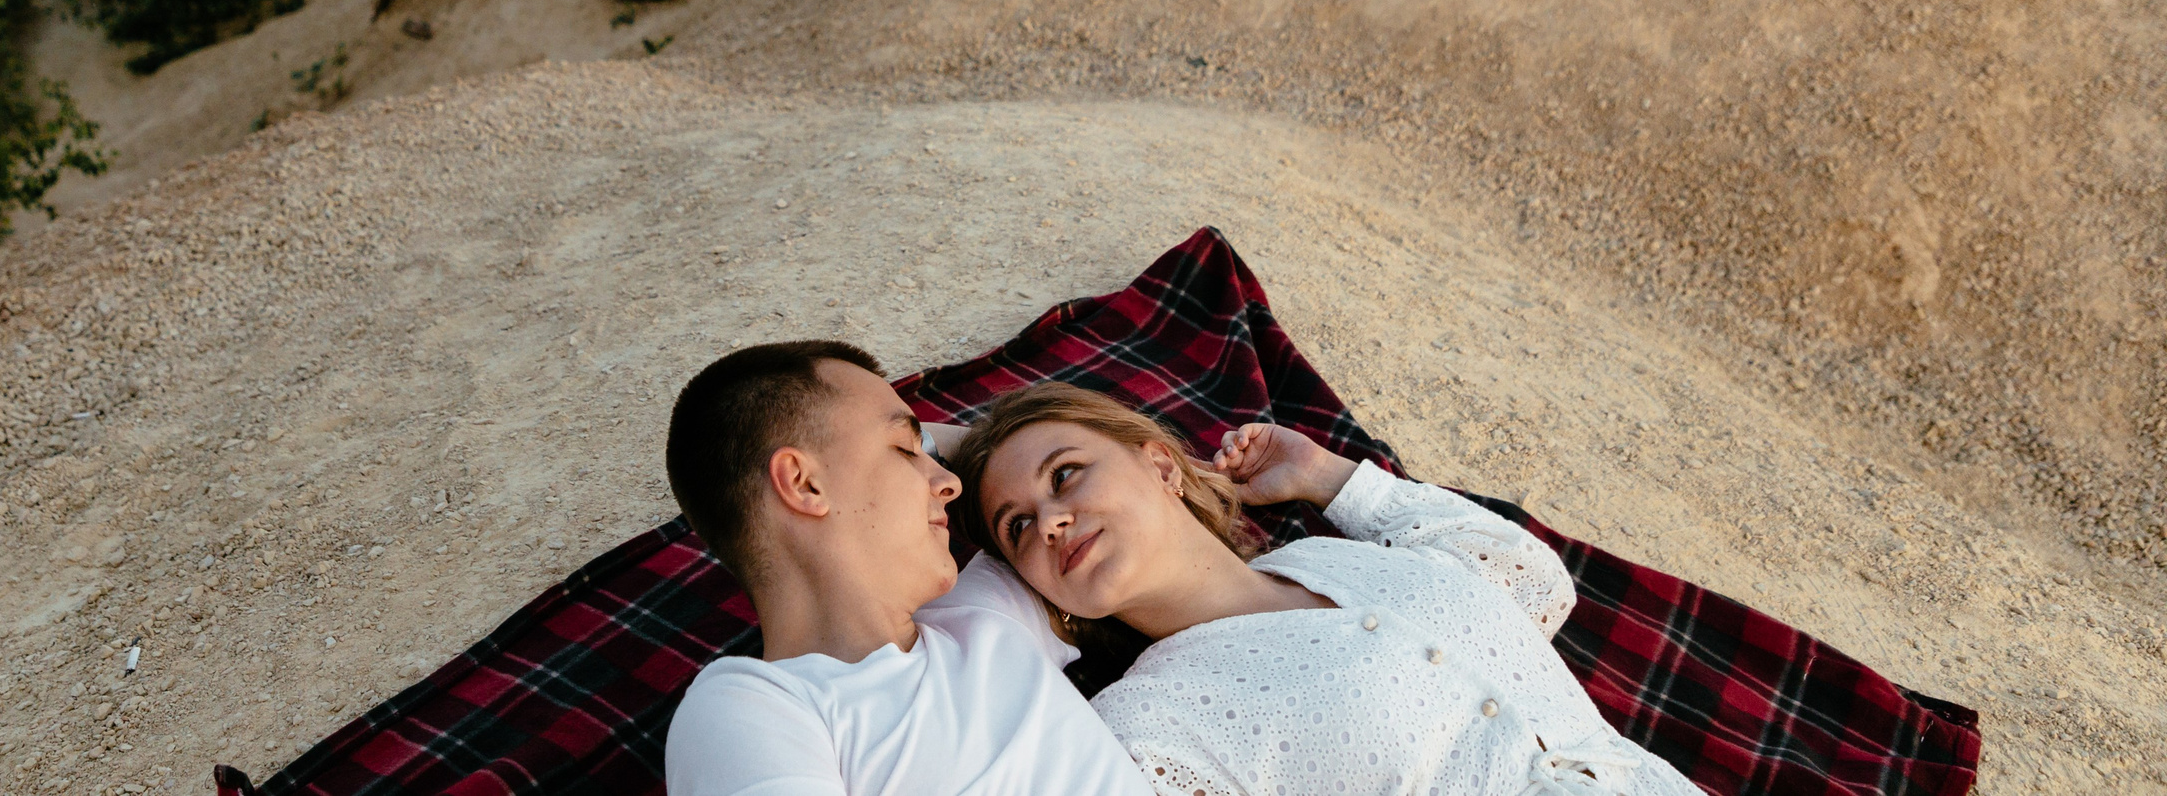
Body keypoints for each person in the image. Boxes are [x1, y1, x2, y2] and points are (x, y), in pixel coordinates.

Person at [954, 382, 1707, 796]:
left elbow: (1534, 579)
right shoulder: (1148, 723)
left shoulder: (1337, 554)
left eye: (1065, 474)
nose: (1051, 519)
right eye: (1018, 526)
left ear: (1159, 465)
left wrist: (1328, 477)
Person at [660, 342, 1155, 796]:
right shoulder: (748, 708)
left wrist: (1207, 476)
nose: (949, 483)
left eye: (928, 451)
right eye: (904, 449)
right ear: (804, 483)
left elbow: (1078, 478)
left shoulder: (989, 614)